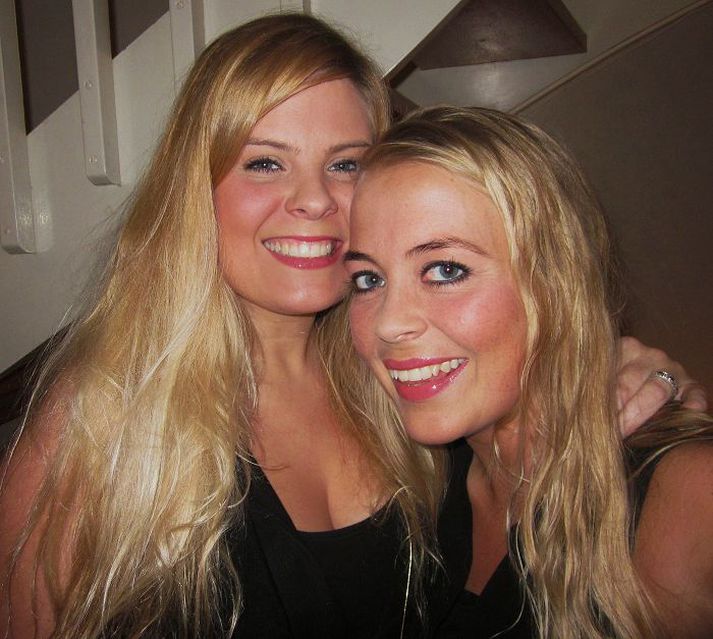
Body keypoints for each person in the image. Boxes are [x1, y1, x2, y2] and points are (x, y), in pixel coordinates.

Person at [0, 13, 705, 639]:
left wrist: (624, 375)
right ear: (195, 190)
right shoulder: (98, 423)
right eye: (265, 162)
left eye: (345, 164)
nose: (313, 199)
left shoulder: (404, 386)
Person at [345, 106, 713, 638]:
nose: (388, 322)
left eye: (446, 269)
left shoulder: (689, 494)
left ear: (553, 283)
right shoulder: (421, 495)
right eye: (367, 279)